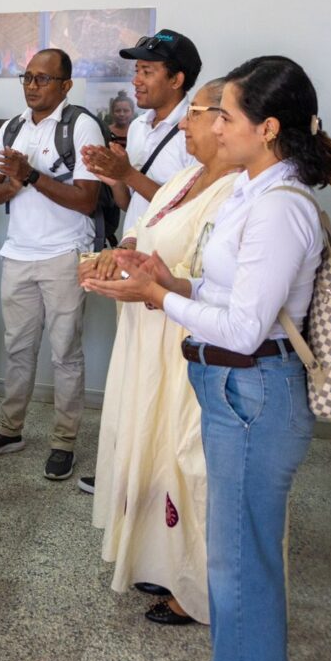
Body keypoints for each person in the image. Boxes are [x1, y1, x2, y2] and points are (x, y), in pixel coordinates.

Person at [82, 56, 331, 661]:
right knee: (234, 561)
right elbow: (228, 296)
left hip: (255, 393)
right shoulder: (252, 191)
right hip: (232, 388)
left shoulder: (280, 206)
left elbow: (247, 329)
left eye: (225, 115)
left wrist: (159, 298)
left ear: (268, 127)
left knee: (240, 566)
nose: (215, 127)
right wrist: (170, 279)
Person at [79, 79, 238, 627]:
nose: (186, 124)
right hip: (144, 337)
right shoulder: (188, 178)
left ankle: (192, 585)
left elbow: (213, 283)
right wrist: (113, 255)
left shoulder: (238, 192)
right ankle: (154, 558)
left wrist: (152, 285)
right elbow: (144, 235)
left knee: (181, 457)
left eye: (194, 114)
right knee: (143, 443)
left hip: (184, 344)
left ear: (226, 122)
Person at [0, 49, 102, 481]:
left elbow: (88, 199)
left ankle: (64, 440)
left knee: (65, 352)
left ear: (66, 85)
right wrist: (14, 182)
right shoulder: (13, 127)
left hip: (65, 253)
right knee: (17, 349)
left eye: (43, 79)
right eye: (27, 77)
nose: (33, 85)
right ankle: (12, 430)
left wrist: (30, 177)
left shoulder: (80, 125)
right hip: (19, 253)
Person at [81, 29, 200, 234]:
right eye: (136, 71)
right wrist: (116, 180)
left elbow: (188, 208)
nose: (136, 80)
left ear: (176, 80)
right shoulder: (138, 126)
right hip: (135, 253)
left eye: (146, 72)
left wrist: (128, 173)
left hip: (167, 260)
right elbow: (130, 205)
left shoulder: (196, 130)